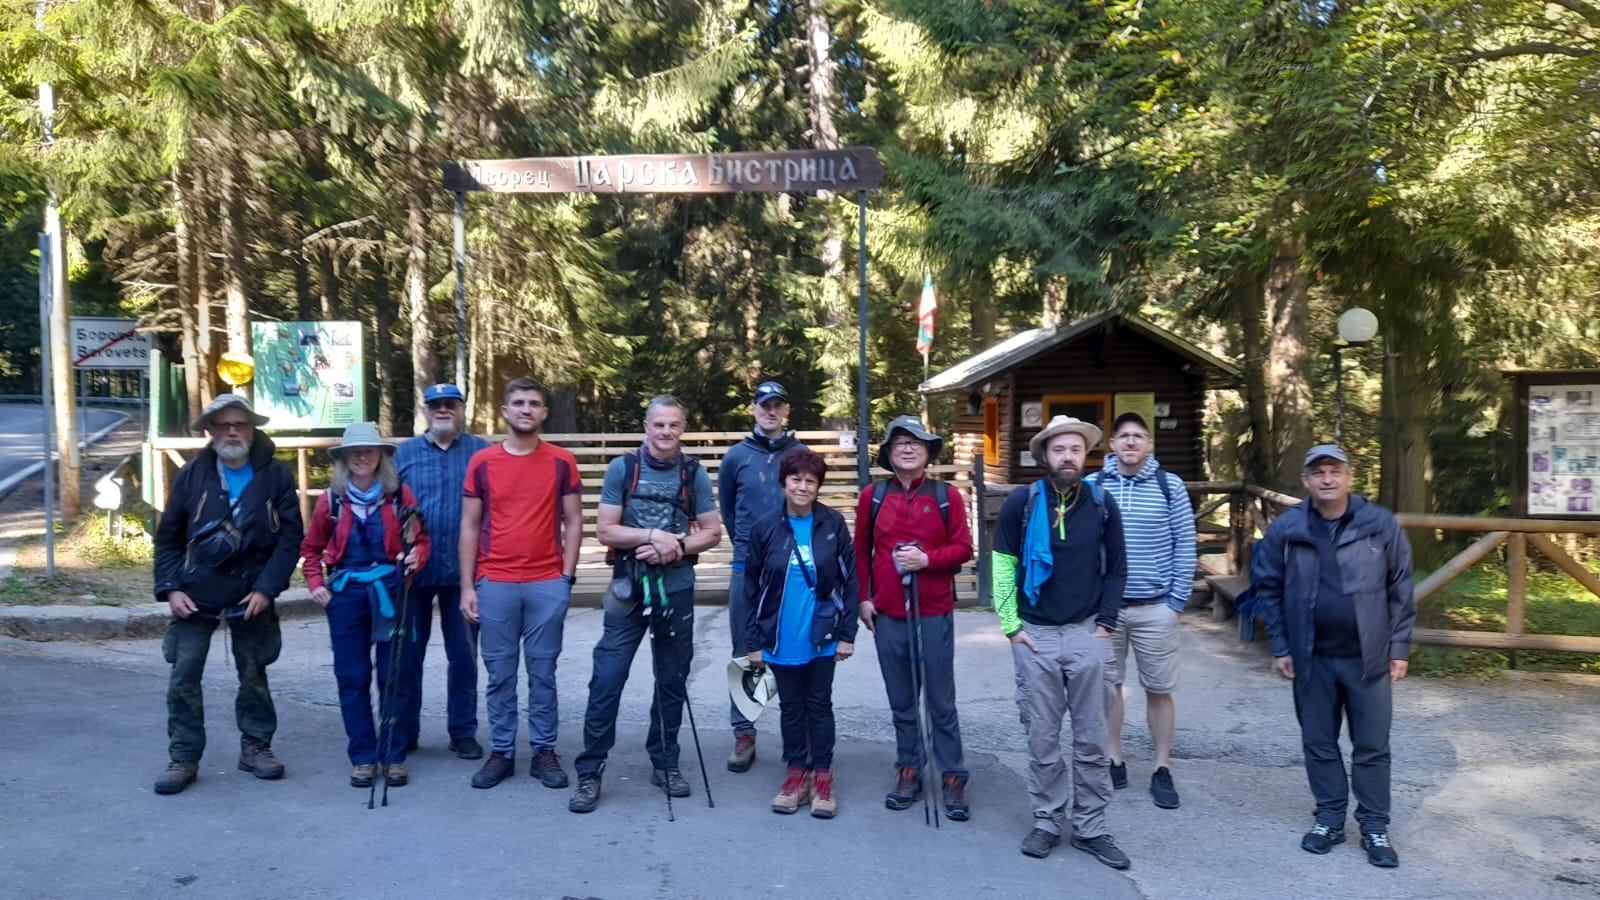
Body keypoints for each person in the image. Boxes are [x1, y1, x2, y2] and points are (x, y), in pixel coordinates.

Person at [1254, 444, 1416, 868]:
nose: (1327, 479)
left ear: (1348, 476)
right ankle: (1328, 818)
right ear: (1306, 480)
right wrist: (1282, 646)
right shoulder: (1287, 528)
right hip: (1312, 658)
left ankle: (1375, 825)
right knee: (1319, 742)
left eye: (1335, 471)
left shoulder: (1379, 523)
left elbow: (1401, 586)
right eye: (1318, 472)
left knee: (1372, 746)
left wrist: (1398, 647)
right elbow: (1267, 588)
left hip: (1369, 657)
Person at [569, 395, 722, 813]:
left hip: (676, 589)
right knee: (607, 678)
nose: (665, 432)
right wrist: (653, 538)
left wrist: (675, 548)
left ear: (683, 428)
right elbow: (605, 530)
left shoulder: (694, 474)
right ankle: (591, 769)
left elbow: (711, 533)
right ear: (646, 426)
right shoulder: (624, 468)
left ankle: (665, 761)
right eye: (658, 424)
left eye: (673, 425)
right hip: (627, 589)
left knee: (671, 679)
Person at [992, 415, 1132, 868]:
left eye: (1075, 449)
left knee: (1092, 738)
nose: (1068, 456)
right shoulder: (1022, 502)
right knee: (1042, 735)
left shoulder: (1101, 503)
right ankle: (1048, 820)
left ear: (1085, 455)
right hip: (1035, 634)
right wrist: (1012, 627)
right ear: (1045, 456)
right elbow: (1002, 564)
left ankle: (1091, 826)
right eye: (1059, 449)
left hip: (1087, 631)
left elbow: (1116, 570)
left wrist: (1105, 625)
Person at [152, 394, 305, 795]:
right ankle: (183, 756)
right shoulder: (191, 475)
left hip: (253, 589)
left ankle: (256, 747)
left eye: (241, 424)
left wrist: (267, 588)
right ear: (211, 431)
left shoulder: (276, 475)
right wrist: (170, 588)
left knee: (254, 672)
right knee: (183, 674)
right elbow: (168, 538)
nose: (233, 431)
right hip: (195, 588)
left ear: (253, 429)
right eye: (224, 425)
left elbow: (291, 539)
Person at [458, 377, 584, 790]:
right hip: (496, 581)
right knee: (499, 672)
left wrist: (565, 577)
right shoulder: (482, 462)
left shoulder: (561, 461)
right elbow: (470, 525)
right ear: (505, 411)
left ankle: (545, 750)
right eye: (518, 402)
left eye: (534, 403)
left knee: (543, 671)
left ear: (544, 412)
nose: (526, 409)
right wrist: (468, 586)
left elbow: (574, 520)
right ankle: (501, 751)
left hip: (546, 580)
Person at [853, 415, 974, 820]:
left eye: (916, 441)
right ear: (888, 452)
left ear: (927, 451)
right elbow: (860, 553)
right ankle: (909, 769)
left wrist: (928, 560)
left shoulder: (946, 497)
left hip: (934, 611)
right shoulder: (872, 496)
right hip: (887, 612)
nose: (908, 447)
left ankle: (953, 776)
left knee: (940, 700)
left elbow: (963, 549)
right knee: (902, 699)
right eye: (899, 442)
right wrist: (863, 599)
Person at [300, 422, 430, 788]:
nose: (361, 457)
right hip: (347, 595)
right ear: (343, 459)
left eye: (369, 451)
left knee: (395, 675)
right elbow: (311, 549)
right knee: (352, 676)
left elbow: (421, 540)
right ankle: (362, 756)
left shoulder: (400, 496)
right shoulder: (331, 501)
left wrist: (415, 557)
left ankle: (393, 754)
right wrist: (315, 583)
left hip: (392, 590)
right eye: (354, 452)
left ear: (380, 457)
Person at [1085, 411, 1196, 809]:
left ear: (1149, 445)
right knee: (1108, 687)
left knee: (1159, 690)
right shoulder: (1093, 486)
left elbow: (1185, 542)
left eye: (1139, 436)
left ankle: (1161, 768)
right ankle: (1114, 759)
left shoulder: (1170, 486)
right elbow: (1080, 544)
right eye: (1124, 436)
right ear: (1112, 445)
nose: (1131, 442)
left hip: (1155, 607)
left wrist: (1174, 602)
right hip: (1106, 610)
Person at [743, 449, 859, 818]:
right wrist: (753, 642)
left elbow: (850, 580)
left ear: (818, 485)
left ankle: (823, 776)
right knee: (791, 708)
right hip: (779, 636)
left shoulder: (832, 523)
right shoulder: (764, 528)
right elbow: (750, 588)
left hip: (821, 636)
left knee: (819, 706)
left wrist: (847, 633)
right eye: (796, 479)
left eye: (811, 480)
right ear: (784, 482)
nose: (803, 486)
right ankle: (796, 773)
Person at [394, 383, 491, 760]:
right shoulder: (405, 454)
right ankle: (404, 730)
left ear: (462, 409)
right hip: (413, 572)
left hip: (465, 573)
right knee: (406, 654)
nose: (443, 410)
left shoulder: (482, 452)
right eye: (436, 405)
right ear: (426, 410)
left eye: (450, 404)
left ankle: (463, 730)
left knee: (464, 655)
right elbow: (389, 506)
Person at [718, 381, 807, 773]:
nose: (770, 411)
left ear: (785, 411)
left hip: (791, 568)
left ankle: (797, 733)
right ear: (753, 409)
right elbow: (728, 509)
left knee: (793, 647)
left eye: (777, 405)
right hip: (747, 567)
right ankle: (744, 732)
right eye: (764, 405)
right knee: (746, 650)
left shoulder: (799, 454)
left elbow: (808, 502)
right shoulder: (736, 457)